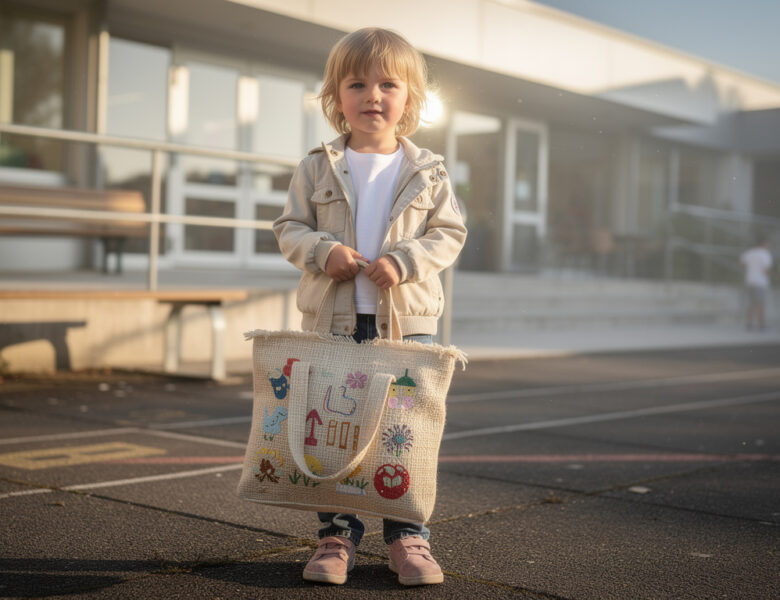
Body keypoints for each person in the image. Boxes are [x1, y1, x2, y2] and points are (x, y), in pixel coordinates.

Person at [272, 28, 467, 586]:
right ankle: (336, 535)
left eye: (388, 83)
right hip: (334, 323)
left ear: (410, 98)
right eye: (357, 83)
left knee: (403, 435)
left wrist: (404, 260)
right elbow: (288, 229)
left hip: (407, 328)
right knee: (333, 430)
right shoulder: (316, 166)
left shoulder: (428, 169)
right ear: (337, 96)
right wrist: (322, 250)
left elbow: (449, 232)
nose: (373, 95)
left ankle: (408, 538)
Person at [740, 236, 773, 331]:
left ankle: (749, 323)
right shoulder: (765, 254)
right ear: (764, 243)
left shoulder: (750, 252)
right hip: (761, 282)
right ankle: (761, 324)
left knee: (752, 303)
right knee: (761, 304)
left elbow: (742, 263)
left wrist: (749, 270)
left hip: (750, 281)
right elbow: (766, 270)